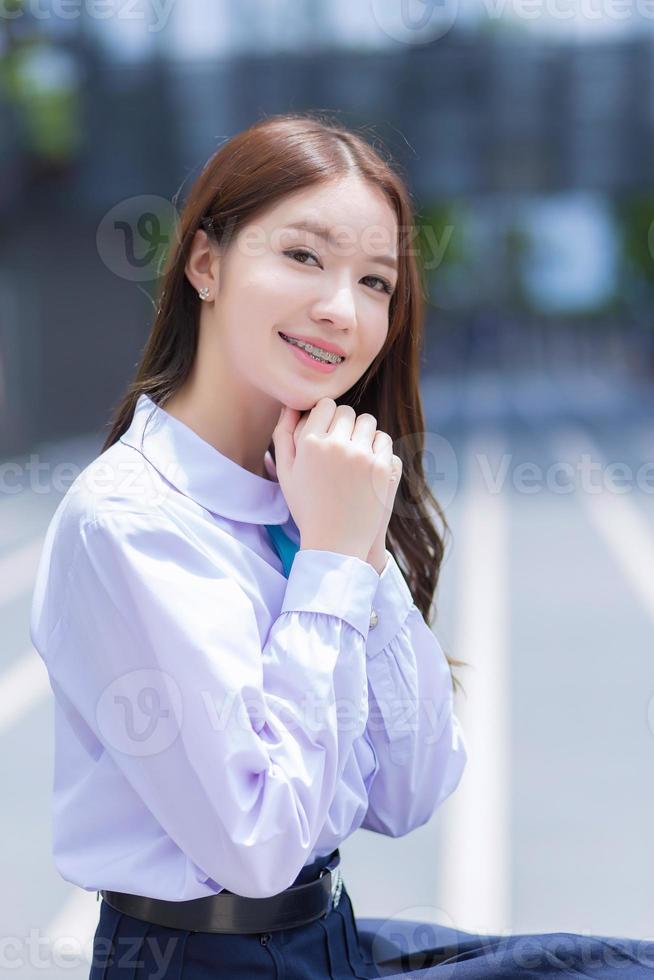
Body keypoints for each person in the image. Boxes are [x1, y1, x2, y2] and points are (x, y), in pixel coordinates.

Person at [29, 113, 654, 979]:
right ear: (204, 263)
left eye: (375, 282)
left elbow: (414, 787)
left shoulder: (317, 492)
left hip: (326, 934)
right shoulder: (132, 525)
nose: (342, 309)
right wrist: (329, 561)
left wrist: (359, 551)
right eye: (303, 257)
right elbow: (256, 844)